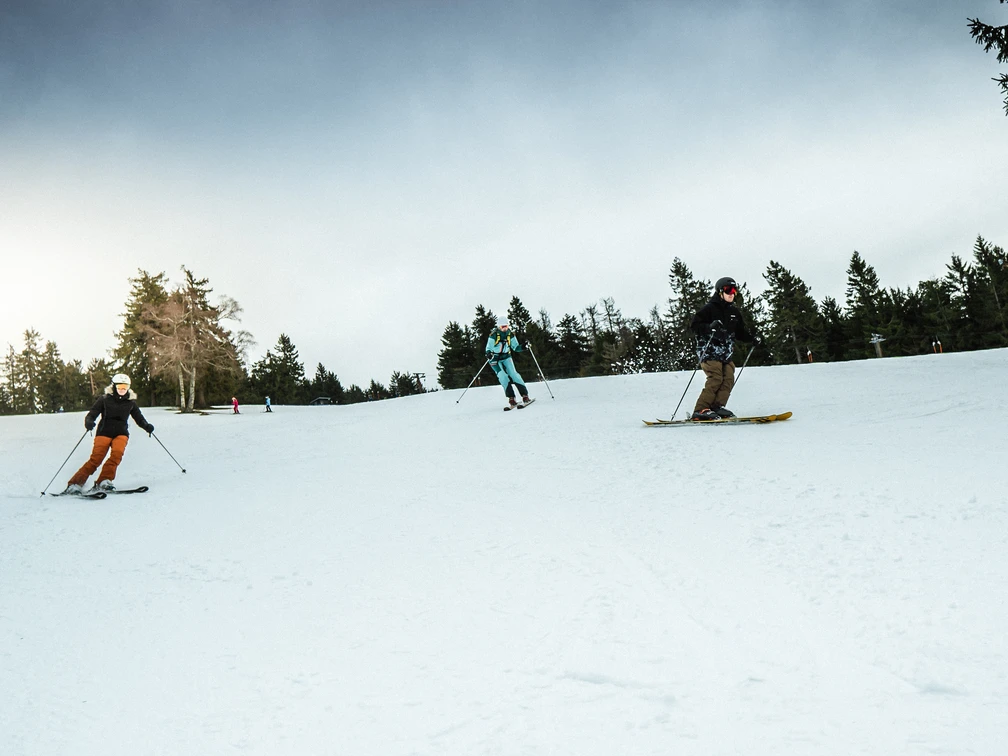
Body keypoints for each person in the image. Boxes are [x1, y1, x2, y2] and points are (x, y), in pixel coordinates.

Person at [65, 373, 153, 493]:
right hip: (104, 432)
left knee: (117, 454)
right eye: (120, 386)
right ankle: (75, 484)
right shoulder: (105, 399)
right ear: (114, 386)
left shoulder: (130, 402)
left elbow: (139, 418)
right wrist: (89, 422)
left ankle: (104, 480)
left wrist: (147, 426)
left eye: (125, 387)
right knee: (96, 459)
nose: (122, 389)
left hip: (121, 433)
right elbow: (92, 414)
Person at [688, 277, 761, 421]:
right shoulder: (709, 309)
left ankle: (717, 406)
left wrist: (752, 339)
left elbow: (740, 332)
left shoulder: (734, 312)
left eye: (734, 291)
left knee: (728, 377)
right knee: (715, 377)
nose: (731, 294)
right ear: (720, 292)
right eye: (728, 290)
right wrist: (709, 327)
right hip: (709, 351)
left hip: (725, 353)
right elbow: (694, 326)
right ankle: (701, 409)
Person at [486, 314, 532, 408]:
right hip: (495, 359)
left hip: (506, 356)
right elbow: (488, 348)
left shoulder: (510, 334)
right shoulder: (494, 335)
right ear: (499, 326)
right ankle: (511, 397)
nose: (504, 328)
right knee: (503, 376)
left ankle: (525, 395)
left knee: (514, 374)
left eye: (506, 326)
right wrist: (489, 353)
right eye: (503, 327)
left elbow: (515, 347)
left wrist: (524, 347)